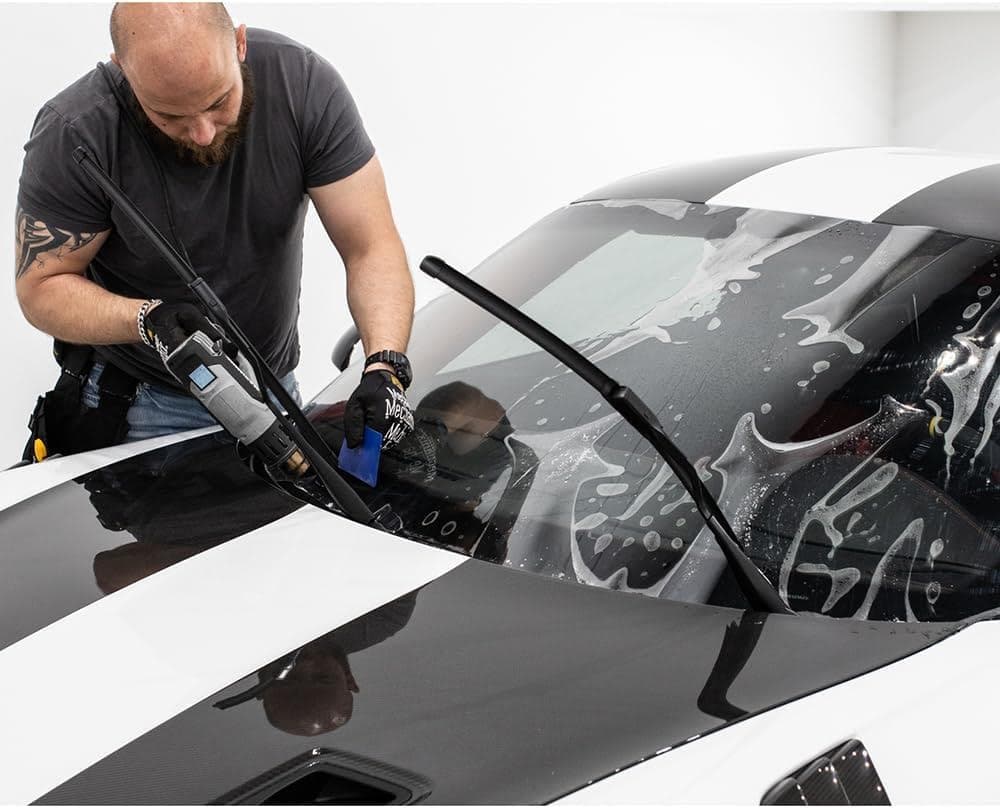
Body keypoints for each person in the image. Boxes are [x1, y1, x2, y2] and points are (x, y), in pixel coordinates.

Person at [14, 2, 414, 454]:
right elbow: (40, 287)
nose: (203, 133)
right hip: (145, 404)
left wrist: (384, 365)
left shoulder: (302, 85)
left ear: (239, 43)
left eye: (219, 101)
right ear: (121, 69)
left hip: (275, 389)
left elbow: (370, 246)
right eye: (169, 116)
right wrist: (147, 320)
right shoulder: (77, 132)